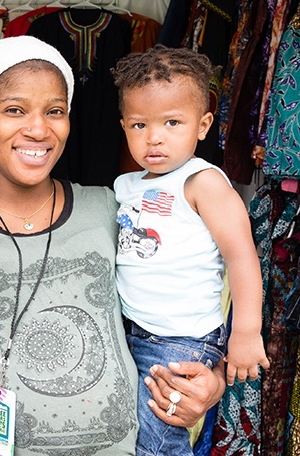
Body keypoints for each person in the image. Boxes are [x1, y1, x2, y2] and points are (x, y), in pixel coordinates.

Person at [0, 36, 227, 455]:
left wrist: (212, 381)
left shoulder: (111, 208)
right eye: (15, 110)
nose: (38, 129)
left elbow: (179, 310)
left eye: (54, 111)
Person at [110, 46, 269, 455]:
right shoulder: (127, 186)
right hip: (133, 331)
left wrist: (247, 332)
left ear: (203, 126)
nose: (154, 137)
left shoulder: (203, 183)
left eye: (172, 122)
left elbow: (242, 257)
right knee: (130, 431)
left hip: (180, 340)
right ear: (124, 126)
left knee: (158, 440)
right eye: (139, 124)